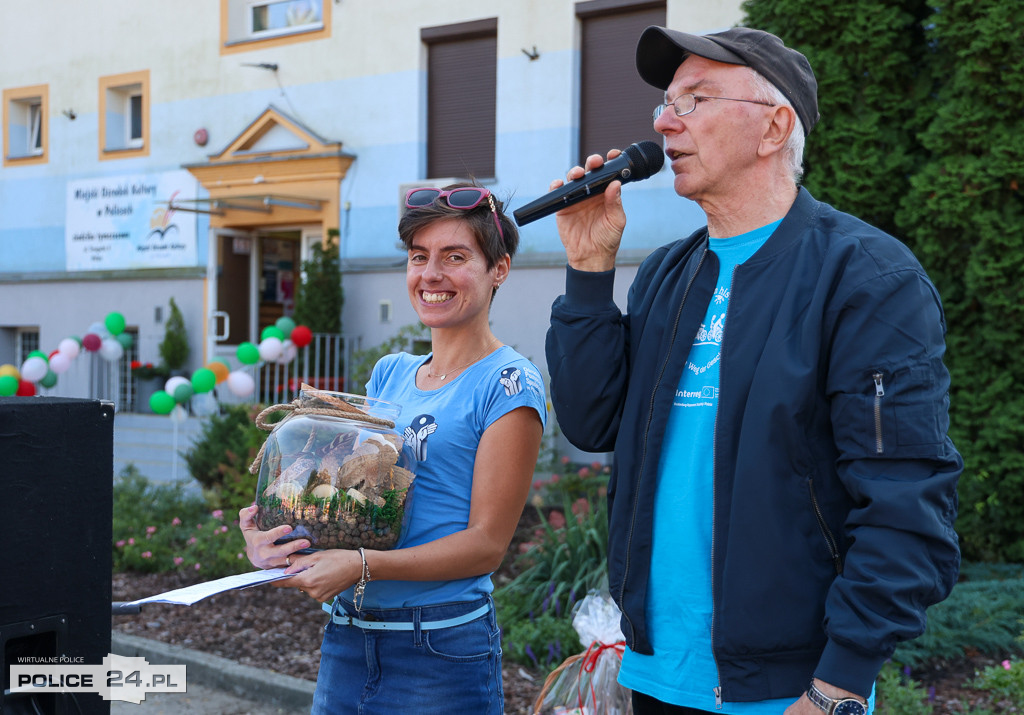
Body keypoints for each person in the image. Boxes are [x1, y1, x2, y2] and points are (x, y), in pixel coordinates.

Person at [544, 25, 962, 715]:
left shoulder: (867, 278)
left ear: (774, 128)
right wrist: (590, 272)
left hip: (787, 693)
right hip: (652, 675)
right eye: (666, 102)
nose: (663, 121)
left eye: (696, 98)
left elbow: (905, 501)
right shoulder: (665, 275)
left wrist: (837, 687)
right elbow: (592, 423)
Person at [240, 184, 547, 714]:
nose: (431, 274)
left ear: (499, 269)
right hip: (349, 637)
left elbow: (486, 546)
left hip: (440, 647)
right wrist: (277, 539)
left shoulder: (509, 385)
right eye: (419, 257)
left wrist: (360, 566)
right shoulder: (391, 373)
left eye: (456, 257)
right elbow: (350, 507)